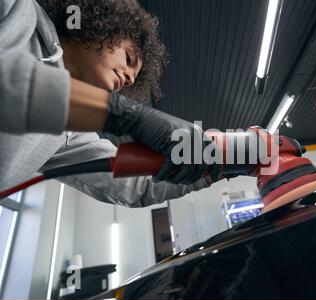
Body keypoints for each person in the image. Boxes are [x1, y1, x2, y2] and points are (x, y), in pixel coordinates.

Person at [0, 0, 220, 207]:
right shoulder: (16, 10)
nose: (131, 80)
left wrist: (222, 160)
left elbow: (135, 184)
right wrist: (124, 116)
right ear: (100, 28)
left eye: (133, 79)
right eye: (129, 59)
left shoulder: (69, 135)